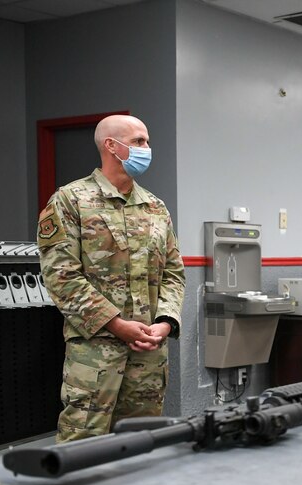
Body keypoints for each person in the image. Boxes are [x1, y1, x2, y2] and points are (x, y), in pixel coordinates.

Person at [36, 114, 185, 443]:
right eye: (138, 142)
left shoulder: (155, 208)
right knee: (82, 442)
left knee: (140, 442)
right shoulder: (70, 200)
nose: (147, 148)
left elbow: (174, 272)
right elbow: (62, 276)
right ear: (111, 145)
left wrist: (165, 322)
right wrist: (116, 324)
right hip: (95, 352)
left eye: (147, 141)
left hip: (148, 350)